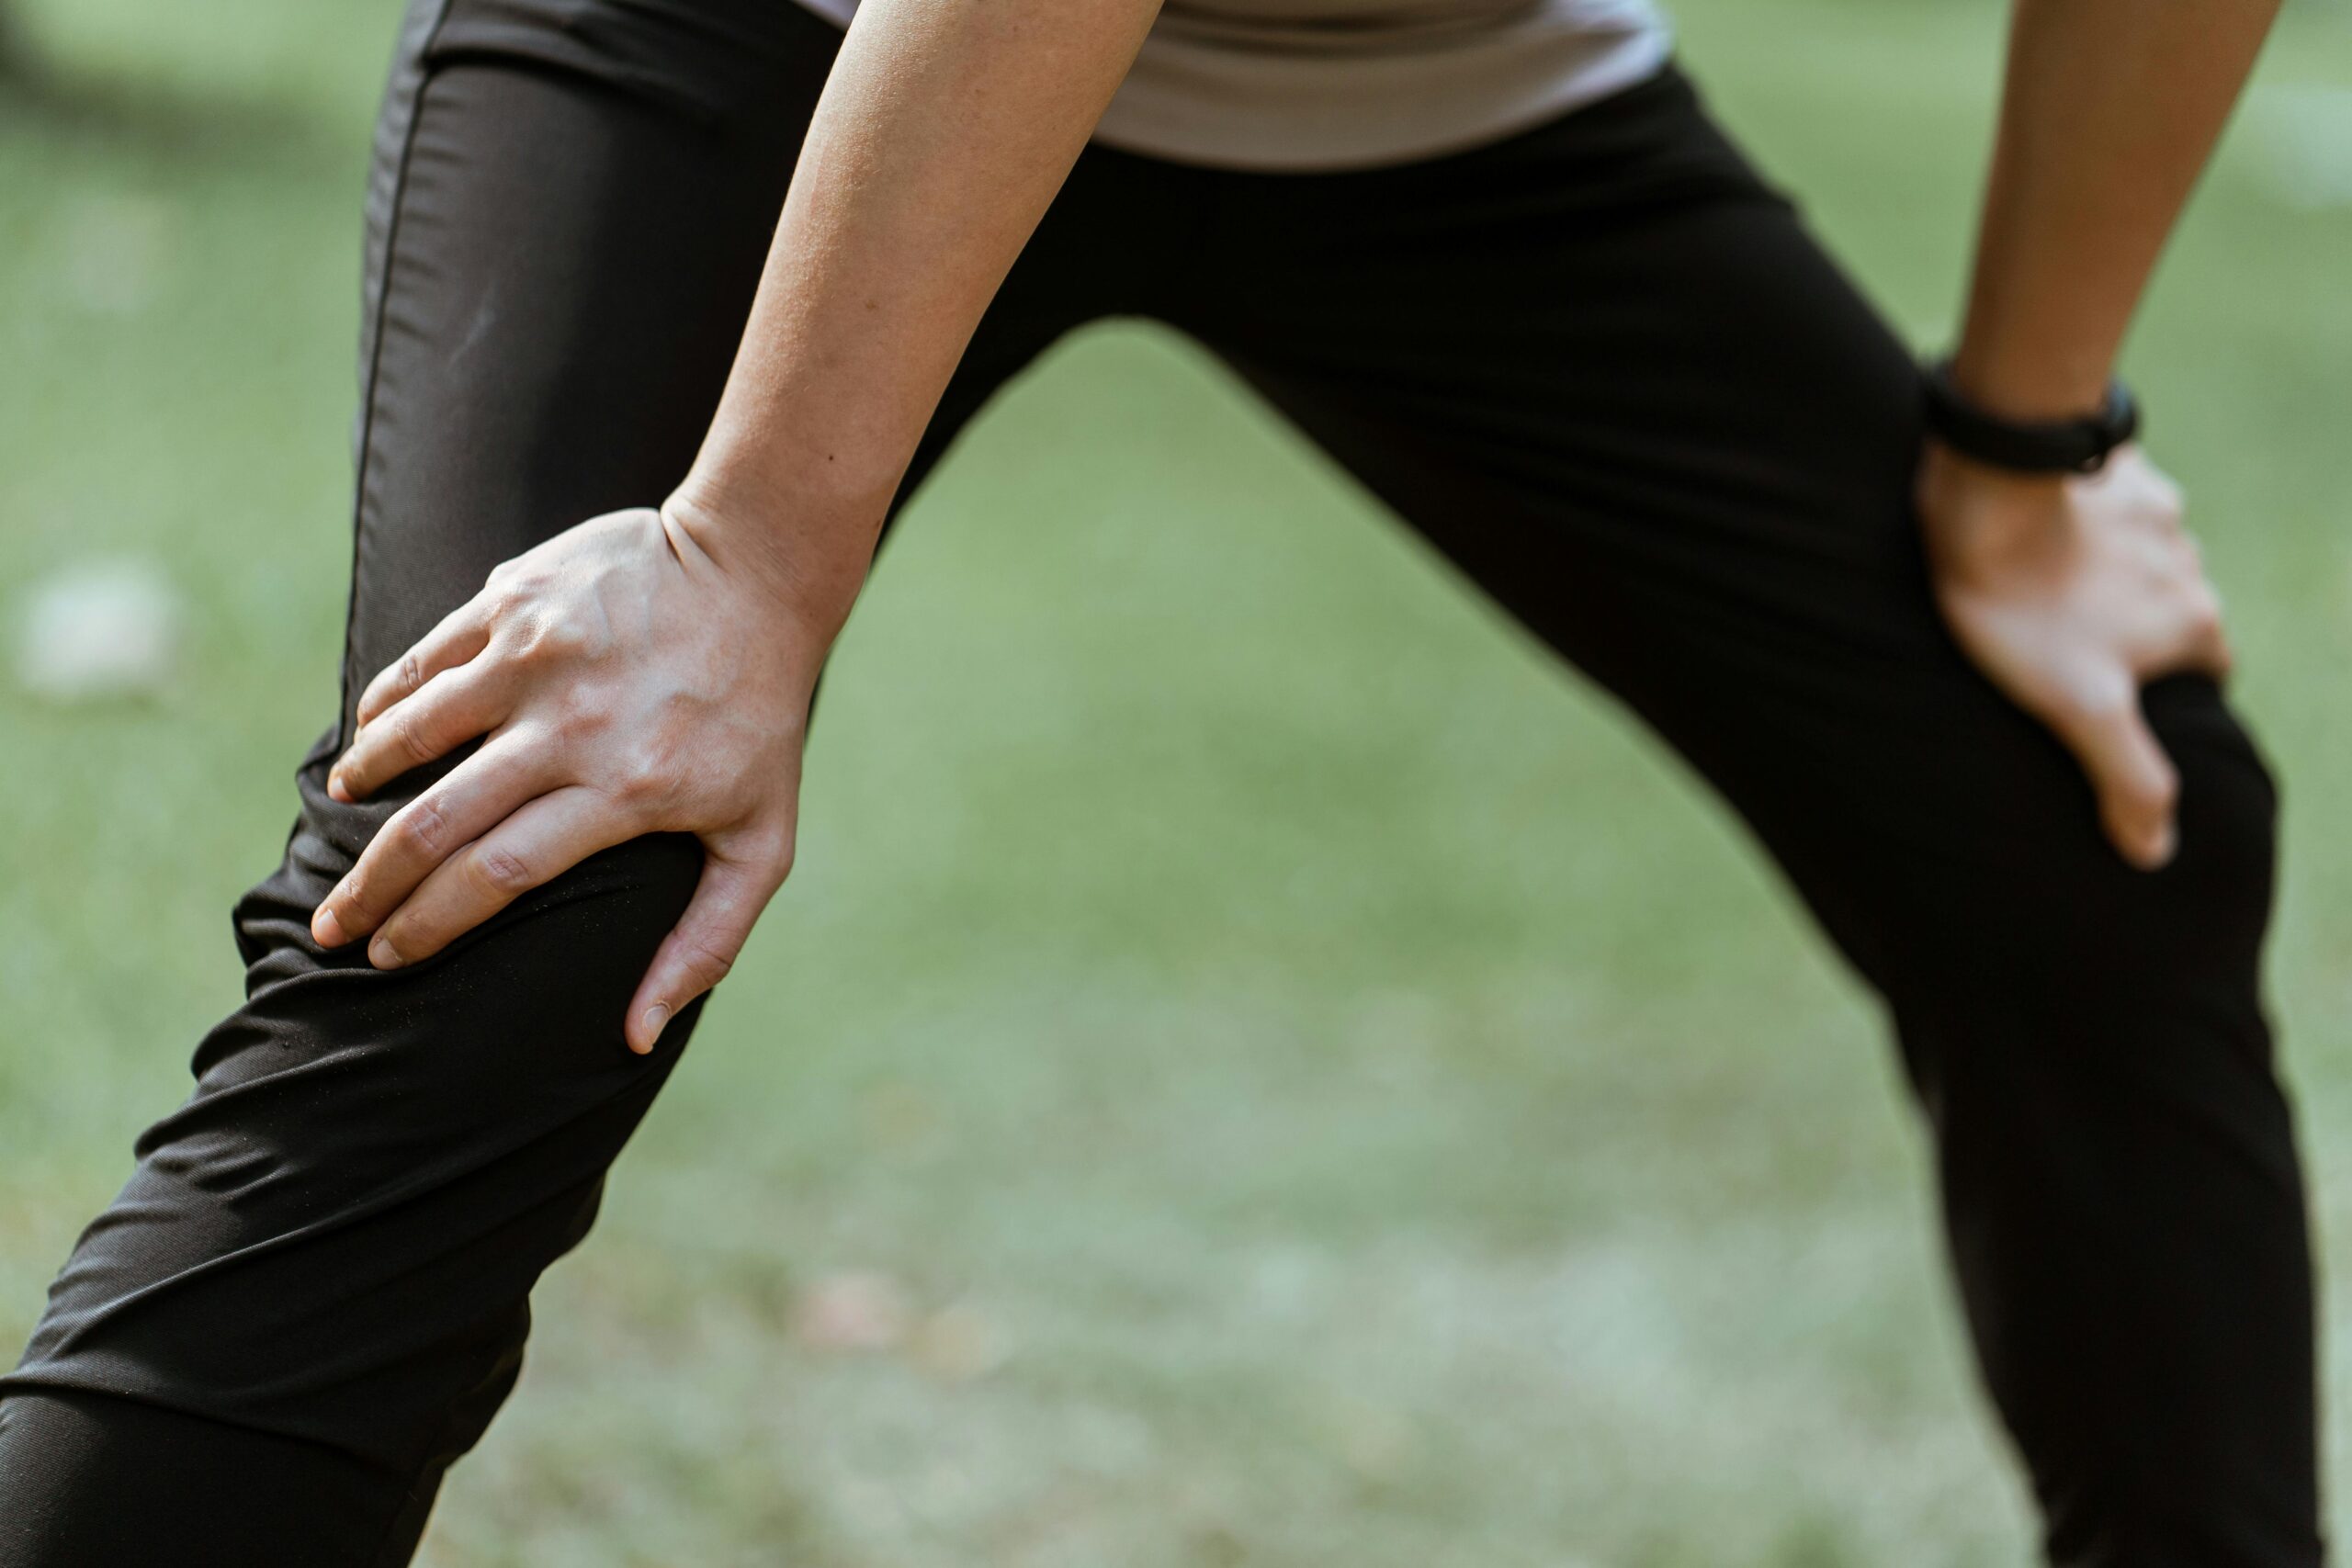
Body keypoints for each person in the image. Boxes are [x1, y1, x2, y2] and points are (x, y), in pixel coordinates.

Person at [0, 0, 2319, 1562]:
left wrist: (2021, 445)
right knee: (537, 872)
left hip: (1446, 98)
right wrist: (745, 550)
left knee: (2089, 809)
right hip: (783, 35)